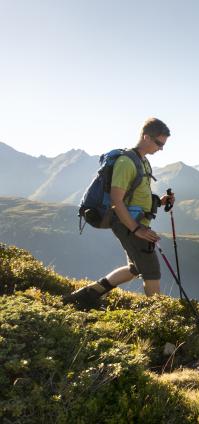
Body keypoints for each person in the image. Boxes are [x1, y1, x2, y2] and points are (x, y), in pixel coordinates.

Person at [64, 117, 175, 309]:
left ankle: (87, 295)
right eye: (159, 143)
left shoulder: (143, 162)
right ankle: (158, 323)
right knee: (151, 272)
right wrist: (136, 229)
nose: (161, 148)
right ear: (146, 137)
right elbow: (116, 200)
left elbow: (135, 196)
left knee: (134, 268)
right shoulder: (126, 162)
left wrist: (159, 201)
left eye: (163, 144)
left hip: (135, 223)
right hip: (129, 225)